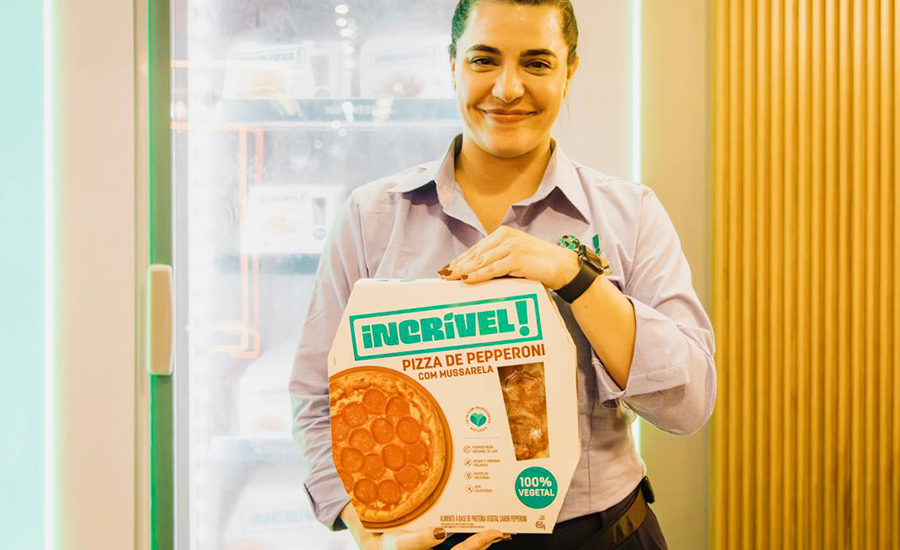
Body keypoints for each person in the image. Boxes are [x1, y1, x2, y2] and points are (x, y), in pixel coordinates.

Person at [290, 0, 717, 548]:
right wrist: (368, 528)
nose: (508, 88)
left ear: (571, 71)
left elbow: (689, 404)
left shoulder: (629, 214)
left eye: (537, 63)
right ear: (452, 66)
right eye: (484, 60)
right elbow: (315, 396)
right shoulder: (371, 218)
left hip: (603, 534)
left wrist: (576, 278)